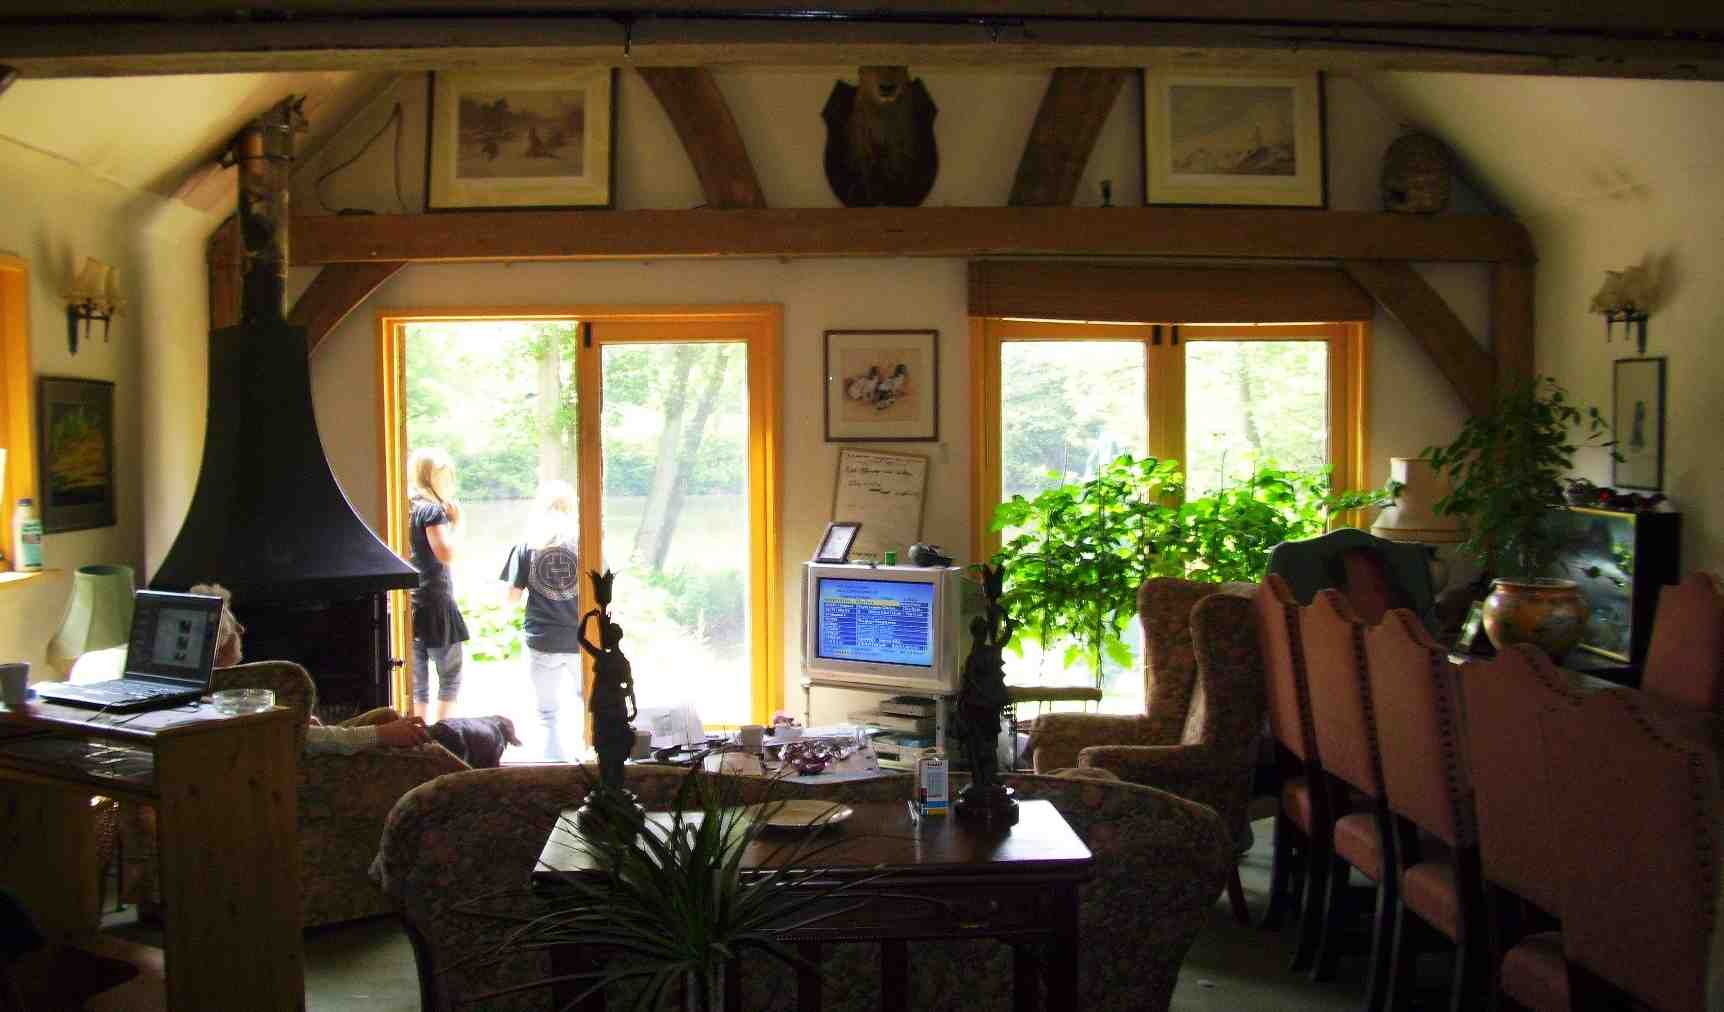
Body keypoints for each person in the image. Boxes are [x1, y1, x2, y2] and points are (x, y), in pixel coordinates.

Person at [190, 582, 433, 755]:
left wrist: (303, 722)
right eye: (233, 626)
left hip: (310, 747)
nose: (242, 630)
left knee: (388, 717)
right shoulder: (220, 701)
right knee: (423, 749)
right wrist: (382, 734)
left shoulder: (213, 692)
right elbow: (305, 738)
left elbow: (301, 733)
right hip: (309, 779)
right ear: (217, 645)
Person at [499, 480, 585, 761]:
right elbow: (605, 589)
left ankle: (553, 765)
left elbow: (511, 596)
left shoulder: (527, 546)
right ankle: (591, 756)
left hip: (542, 639)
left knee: (548, 714)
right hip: (581, 639)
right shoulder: (587, 543)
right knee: (590, 703)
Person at [407, 447, 470, 724]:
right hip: (436, 601)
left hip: (410, 600)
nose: (448, 483)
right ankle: (442, 739)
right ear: (430, 478)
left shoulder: (406, 507)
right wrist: (458, 523)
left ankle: (418, 740)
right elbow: (446, 553)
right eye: (444, 477)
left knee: (417, 682)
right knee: (450, 677)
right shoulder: (431, 511)